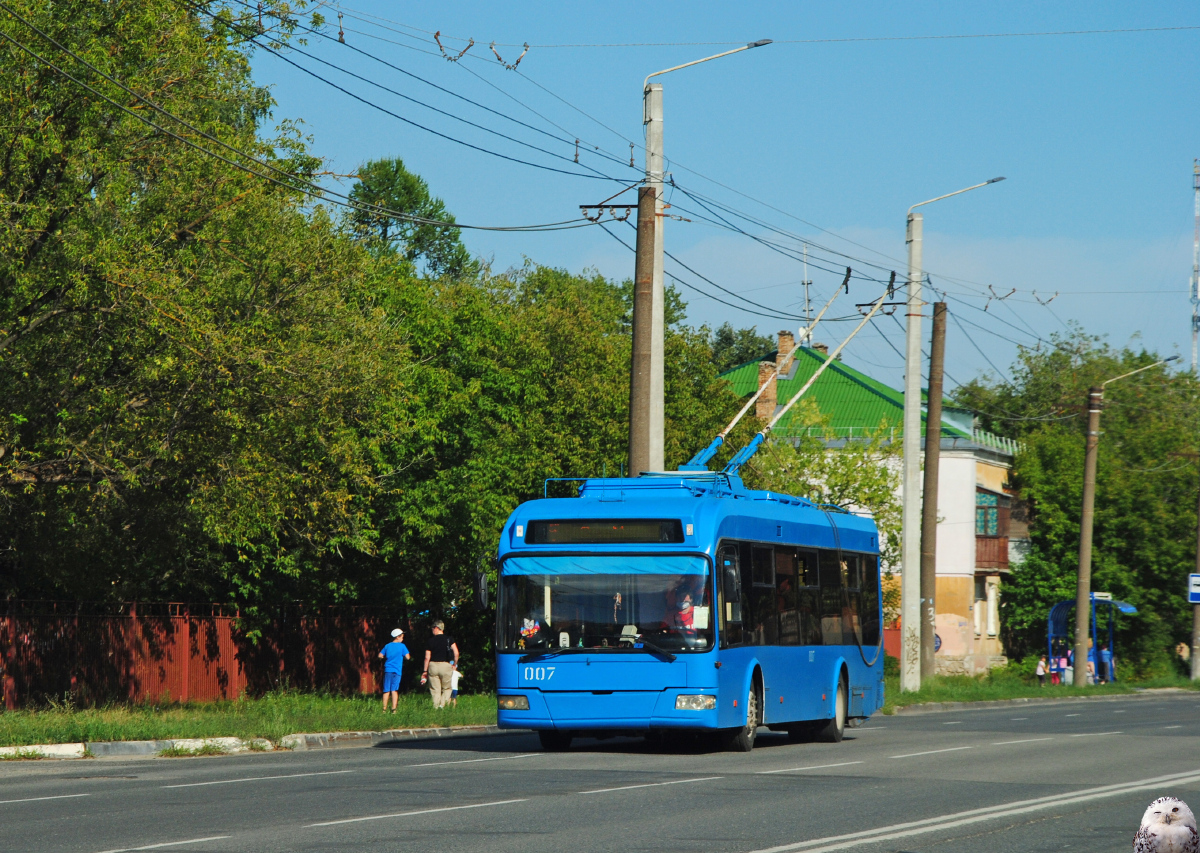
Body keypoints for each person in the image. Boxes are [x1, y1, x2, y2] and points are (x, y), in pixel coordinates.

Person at [422, 620, 459, 709]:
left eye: (432, 628)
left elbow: (427, 657)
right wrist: (454, 664)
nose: (432, 630)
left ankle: (436, 707)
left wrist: (425, 671)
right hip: (445, 666)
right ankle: (442, 705)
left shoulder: (430, 641)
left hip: (433, 666)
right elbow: (456, 653)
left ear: (437, 628)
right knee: (447, 688)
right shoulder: (449, 639)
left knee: (435, 689)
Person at [377, 628, 410, 713]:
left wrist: (386, 657)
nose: (403, 638)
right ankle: (394, 710)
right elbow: (408, 657)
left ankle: (383, 710)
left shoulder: (387, 646)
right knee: (394, 690)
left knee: (386, 690)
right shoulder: (402, 646)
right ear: (398, 637)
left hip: (388, 670)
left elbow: (380, 655)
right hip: (397, 671)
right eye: (402, 636)